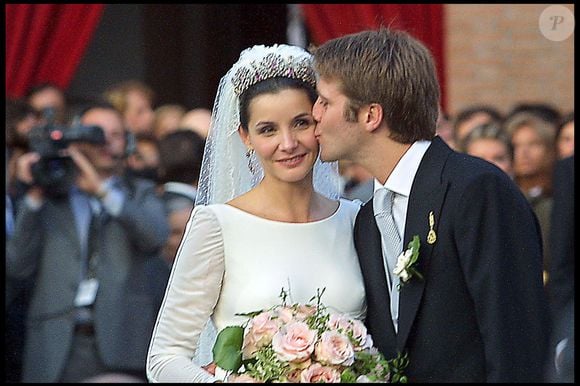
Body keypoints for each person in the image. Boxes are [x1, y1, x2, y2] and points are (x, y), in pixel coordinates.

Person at [311, 28, 549, 382]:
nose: (314, 113)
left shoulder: (476, 190)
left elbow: (515, 343)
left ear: (370, 115)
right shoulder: (366, 217)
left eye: (325, 102)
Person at [146, 44, 365, 383]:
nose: (288, 143)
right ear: (245, 138)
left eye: (301, 123)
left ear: (319, 125)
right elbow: (164, 358)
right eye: (268, 130)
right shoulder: (217, 225)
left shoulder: (355, 220)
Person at [7, 102, 170, 382]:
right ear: (76, 139)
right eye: (95, 133)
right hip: (54, 345)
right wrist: (33, 195)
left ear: (128, 141)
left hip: (122, 343)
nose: (104, 142)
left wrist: (103, 192)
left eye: (115, 134)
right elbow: (17, 266)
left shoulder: (139, 193)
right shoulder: (49, 197)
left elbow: (155, 237)